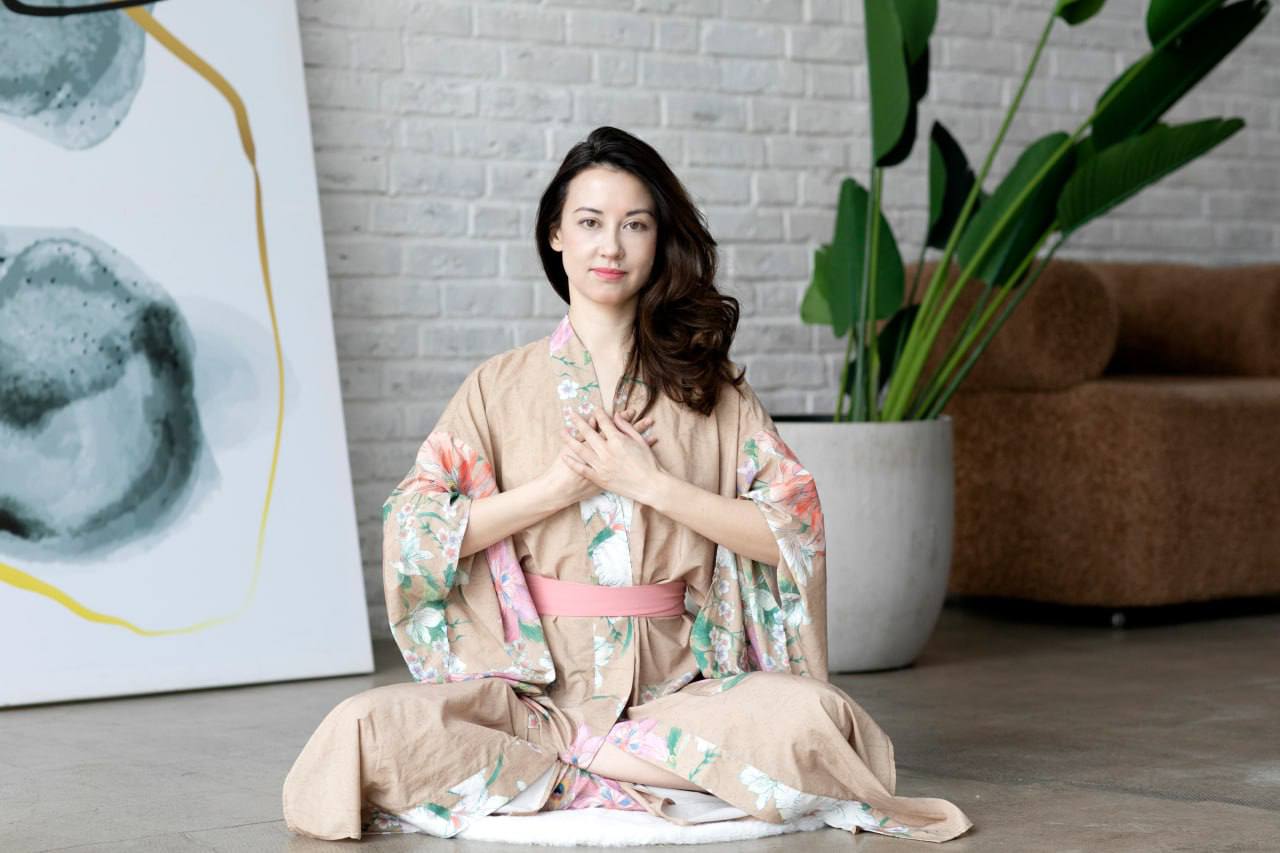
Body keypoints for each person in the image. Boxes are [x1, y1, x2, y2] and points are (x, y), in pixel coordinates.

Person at [281, 126, 973, 843]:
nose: (610, 247)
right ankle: (616, 763)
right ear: (556, 235)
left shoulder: (712, 389)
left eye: (634, 225)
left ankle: (574, 766)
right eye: (590, 223)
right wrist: (554, 490)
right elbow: (411, 535)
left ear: (658, 240)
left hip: (681, 696)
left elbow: (791, 531)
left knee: (819, 722)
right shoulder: (496, 386)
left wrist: (650, 483)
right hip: (530, 703)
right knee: (358, 732)